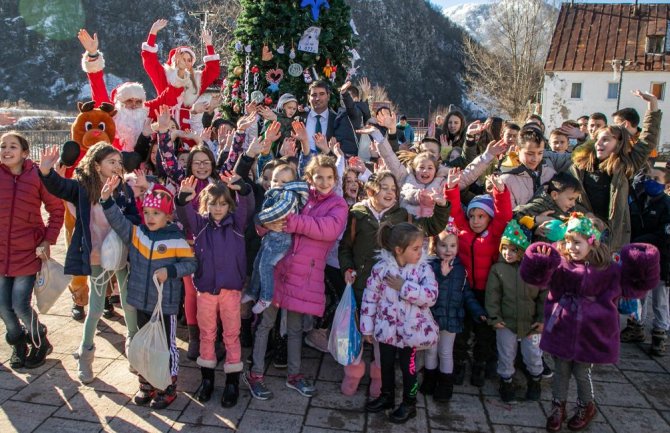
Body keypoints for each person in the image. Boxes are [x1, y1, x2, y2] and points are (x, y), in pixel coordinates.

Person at [520, 215, 660, 432]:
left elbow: (633, 289)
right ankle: (558, 407)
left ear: (592, 242)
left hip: (592, 332)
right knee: (561, 370)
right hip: (562, 326)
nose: (571, 247)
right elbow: (539, 280)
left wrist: (641, 267)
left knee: (582, 372)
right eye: (568, 242)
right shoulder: (562, 265)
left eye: (577, 242)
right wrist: (540, 261)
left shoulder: (609, 269)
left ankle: (587, 406)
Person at [244, 154, 348, 400]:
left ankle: (295, 374)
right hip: (278, 269)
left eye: (329, 177)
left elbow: (327, 230)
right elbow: (264, 217)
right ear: (309, 178)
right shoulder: (298, 196)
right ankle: (255, 374)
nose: (323, 182)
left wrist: (290, 221)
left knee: (294, 328)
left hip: (304, 275)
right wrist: (264, 225)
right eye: (318, 177)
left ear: (335, 179)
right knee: (265, 324)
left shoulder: (338, 205)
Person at [338, 171, 449, 397]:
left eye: (393, 189)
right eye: (384, 187)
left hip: (389, 289)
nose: (390, 193)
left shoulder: (403, 216)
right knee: (355, 333)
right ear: (371, 190)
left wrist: (442, 205)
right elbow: (345, 248)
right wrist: (347, 269)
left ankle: (379, 380)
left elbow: (432, 225)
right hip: (361, 287)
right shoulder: (357, 214)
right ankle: (352, 373)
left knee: (382, 338)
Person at [39, 142, 140, 383]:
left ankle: (134, 350)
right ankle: (85, 354)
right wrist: (46, 172)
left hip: (121, 255)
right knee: (95, 308)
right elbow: (60, 187)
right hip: (94, 256)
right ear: (96, 165)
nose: (117, 166)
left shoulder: (124, 189)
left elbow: (135, 216)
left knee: (129, 304)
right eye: (111, 162)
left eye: (119, 162)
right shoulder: (83, 188)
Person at [100, 179, 197, 409]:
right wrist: (106, 200)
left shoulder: (175, 238)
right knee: (144, 344)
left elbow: (191, 264)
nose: (151, 217)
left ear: (168, 216)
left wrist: (171, 270)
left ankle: (168, 385)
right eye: (147, 212)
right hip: (140, 301)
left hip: (165, 305)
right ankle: (146, 384)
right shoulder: (138, 234)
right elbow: (118, 222)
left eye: (156, 213)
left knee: (167, 346)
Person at [176, 174, 254, 408]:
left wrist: (243, 188)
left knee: (231, 334)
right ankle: (207, 380)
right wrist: (182, 199)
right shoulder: (200, 225)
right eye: (213, 203)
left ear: (229, 204)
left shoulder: (237, 224)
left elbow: (247, 205)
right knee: (207, 334)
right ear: (205, 205)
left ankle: (232, 382)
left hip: (230, 291)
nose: (218, 208)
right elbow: (184, 214)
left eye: (222, 203)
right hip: (206, 290)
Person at [361, 222, 438, 424]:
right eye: (415, 248)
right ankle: (387, 396)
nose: (420, 252)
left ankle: (409, 403)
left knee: (408, 368)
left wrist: (405, 287)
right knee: (385, 364)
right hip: (386, 329)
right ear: (398, 250)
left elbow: (430, 297)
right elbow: (370, 298)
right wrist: (367, 327)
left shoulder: (423, 270)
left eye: (421, 247)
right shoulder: (381, 269)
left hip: (410, 333)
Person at [0, 132, 64, 369]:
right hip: (1, 252)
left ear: (25, 153)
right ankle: (17, 343)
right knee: (2, 306)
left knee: (19, 304)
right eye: (3, 146)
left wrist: (48, 240)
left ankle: (39, 340)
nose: (7, 150)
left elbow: (57, 210)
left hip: (27, 251)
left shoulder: (37, 175)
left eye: (13, 146)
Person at [444, 169, 512, 386]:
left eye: (481, 216)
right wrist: (452, 188)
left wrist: (500, 194)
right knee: (462, 328)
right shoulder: (463, 230)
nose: (475, 220)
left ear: (489, 217)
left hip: (488, 291)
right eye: (472, 215)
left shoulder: (494, 232)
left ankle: (481, 364)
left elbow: (504, 215)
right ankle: (460, 361)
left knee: (485, 331)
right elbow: (454, 211)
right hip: (465, 289)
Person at [420, 226, 486, 402]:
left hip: (452, 318)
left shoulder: (460, 269)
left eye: (452, 246)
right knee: (430, 351)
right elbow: (427, 290)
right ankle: (429, 380)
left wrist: (477, 311)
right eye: (443, 245)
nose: (448, 250)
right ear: (435, 246)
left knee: (446, 352)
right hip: (432, 317)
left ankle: (445, 385)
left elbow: (466, 294)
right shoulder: (429, 267)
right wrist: (441, 276)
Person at [485, 220, 546, 403]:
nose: (507, 253)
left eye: (513, 249)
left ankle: (535, 379)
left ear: (522, 250)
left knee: (534, 354)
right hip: (506, 322)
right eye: (504, 248)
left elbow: (544, 296)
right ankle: (506, 381)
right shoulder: (498, 269)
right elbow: (492, 295)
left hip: (531, 323)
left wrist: (542, 319)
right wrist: (494, 317)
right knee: (506, 353)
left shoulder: (534, 269)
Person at [244, 163, 309, 314]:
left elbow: (280, 211)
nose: (278, 184)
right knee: (258, 263)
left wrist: (259, 218)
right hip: (270, 237)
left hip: (280, 239)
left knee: (265, 266)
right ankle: (252, 291)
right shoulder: (275, 193)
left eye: (284, 182)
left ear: (292, 183)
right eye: (275, 180)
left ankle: (265, 298)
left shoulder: (288, 194)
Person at [622, 164, 670, 355]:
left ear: (666, 185)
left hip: (661, 261)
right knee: (639, 296)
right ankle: (636, 326)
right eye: (649, 177)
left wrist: (641, 242)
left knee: (660, 300)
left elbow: (664, 235)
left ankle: (659, 334)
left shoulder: (666, 206)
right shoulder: (638, 200)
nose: (651, 182)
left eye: (657, 179)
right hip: (638, 259)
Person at [141, 19, 220, 130]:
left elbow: (213, 71)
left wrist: (209, 45)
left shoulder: (196, 80)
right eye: (183, 59)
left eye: (189, 60)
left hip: (188, 132)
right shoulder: (164, 75)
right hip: (166, 127)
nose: (186, 63)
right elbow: (149, 61)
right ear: (174, 60)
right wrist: (153, 32)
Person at [499, 124, 572, 208]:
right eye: (530, 153)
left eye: (540, 153)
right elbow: (507, 214)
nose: (535, 159)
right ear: (517, 149)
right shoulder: (506, 179)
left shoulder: (550, 173)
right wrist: (535, 219)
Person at [513, 172, 585, 243]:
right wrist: (536, 220)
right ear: (554, 195)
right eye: (570, 199)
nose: (573, 204)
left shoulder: (569, 210)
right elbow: (515, 215)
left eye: (575, 200)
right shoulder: (541, 204)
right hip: (539, 251)